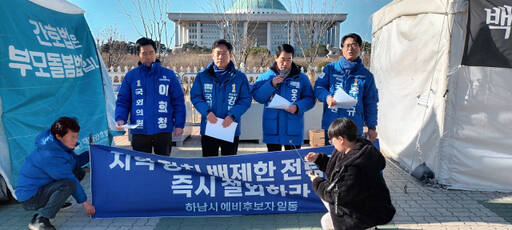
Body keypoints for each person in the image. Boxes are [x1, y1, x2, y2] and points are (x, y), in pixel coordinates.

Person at [305, 118, 395, 230]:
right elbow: (338, 171)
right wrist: (318, 159)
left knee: (327, 221)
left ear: (341, 139)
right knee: (328, 216)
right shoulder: (355, 147)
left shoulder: (355, 165)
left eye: (332, 140)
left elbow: (335, 195)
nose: (331, 143)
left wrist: (316, 181)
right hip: (362, 203)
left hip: (367, 212)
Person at [15, 117, 96, 230]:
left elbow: (74, 163)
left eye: (76, 136)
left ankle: (56, 202)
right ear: (59, 136)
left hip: (41, 188)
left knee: (78, 172)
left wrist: (91, 153)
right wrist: (85, 202)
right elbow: (69, 178)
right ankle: (40, 219)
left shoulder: (59, 145)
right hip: (31, 197)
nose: (75, 140)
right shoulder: (49, 154)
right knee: (69, 183)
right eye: (72, 137)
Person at [115, 37, 186, 156]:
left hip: (163, 128)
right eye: (144, 53)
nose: (148, 57)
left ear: (155, 53)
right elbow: (123, 101)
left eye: (151, 52)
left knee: (163, 165)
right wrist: (120, 118)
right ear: (138, 55)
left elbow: (178, 101)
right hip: (140, 130)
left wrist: (179, 124)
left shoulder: (168, 75)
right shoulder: (131, 76)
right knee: (141, 167)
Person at [314, 33, 379, 145]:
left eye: (354, 45)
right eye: (347, 45)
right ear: (342, 49)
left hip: (354, 128)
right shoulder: (330, 69)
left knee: (353, 160)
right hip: (332, 125)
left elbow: (371, 102)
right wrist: (327, 97)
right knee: (331, 160)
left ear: (360, 48)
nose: (350, 49)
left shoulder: (366, 76)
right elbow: (319, 87)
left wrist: (372, 127)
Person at [190, 39, 251, 157]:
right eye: (217, 53)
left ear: (230, 55)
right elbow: (196, 97)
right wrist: (206, 112)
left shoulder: (239, 77)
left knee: (229, 165)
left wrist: (232, 115)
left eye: (224, 53)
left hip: (230, 128)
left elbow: (245, 99)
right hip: (210, 127)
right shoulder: (202, 76)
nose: (220, 57)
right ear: (212, 55)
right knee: (209, 164)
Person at [251, 44, 315, 152]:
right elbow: (258, 97)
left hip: (293, 128)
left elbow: (310, 99)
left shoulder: (301, 78)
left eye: (289, 60)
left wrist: (297, 107)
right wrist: (271, 84)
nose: (285, 63)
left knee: (292, 162)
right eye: (282, 59)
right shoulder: (265, 77)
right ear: (276, 57)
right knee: (274, 163)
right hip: (272, 129)